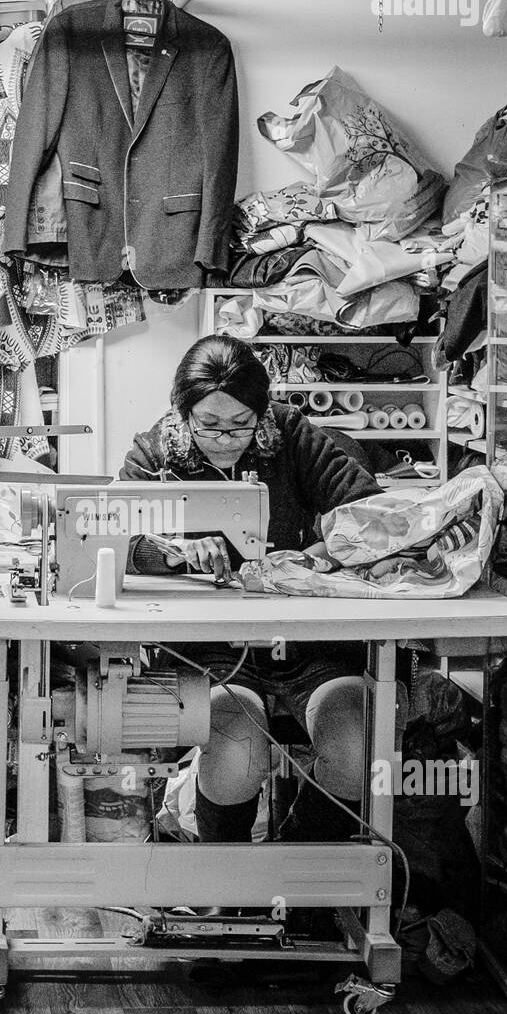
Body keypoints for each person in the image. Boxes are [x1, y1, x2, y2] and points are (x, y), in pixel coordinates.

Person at [120, 334, 395, 845]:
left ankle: (302, 875)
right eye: (210, 427)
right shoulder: (155, 451)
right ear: (184, 415)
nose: (226, 441)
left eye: (240, 425)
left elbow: (369, 514)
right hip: (211, 649)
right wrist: (175, 551)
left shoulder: (290, 433)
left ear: (261, 411)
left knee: (356, 750)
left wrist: (315, 554)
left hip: (312, 646)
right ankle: (226, 892)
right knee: (236, 753)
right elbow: (117, 536)